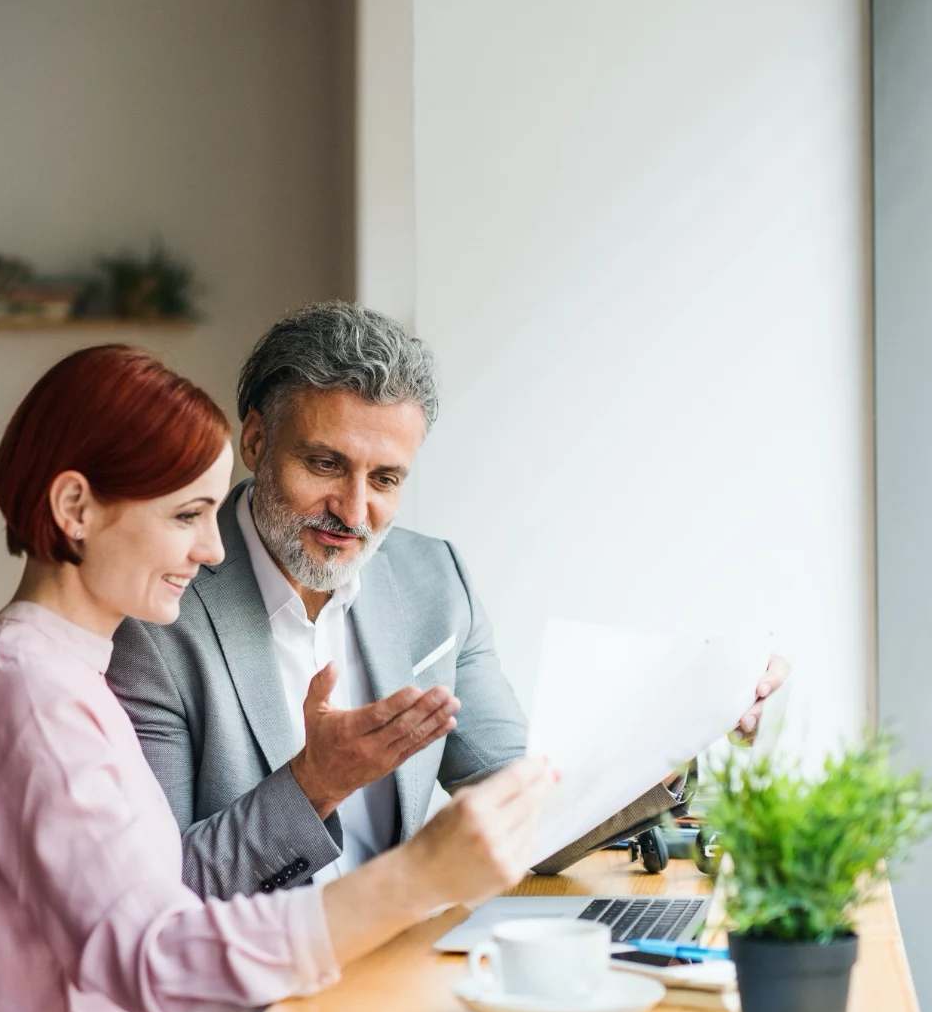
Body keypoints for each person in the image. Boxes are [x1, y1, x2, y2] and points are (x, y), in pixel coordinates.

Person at [0, 344, 554, 1012]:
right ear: (75, 507)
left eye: (214, 515)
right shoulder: (29, 701)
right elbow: (156, 959)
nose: (214, 551)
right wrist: (413, 879)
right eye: (186, 516)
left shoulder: (60, 681)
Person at [111, 302, 787, 903]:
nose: (354, 510)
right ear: (255, 442)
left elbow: (531, 815)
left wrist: (689, 716)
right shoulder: (154, 613)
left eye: (385, 478)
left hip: (400, 971)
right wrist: (313, 785)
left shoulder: (435, 581)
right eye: (324, 465)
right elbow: (156, 894)